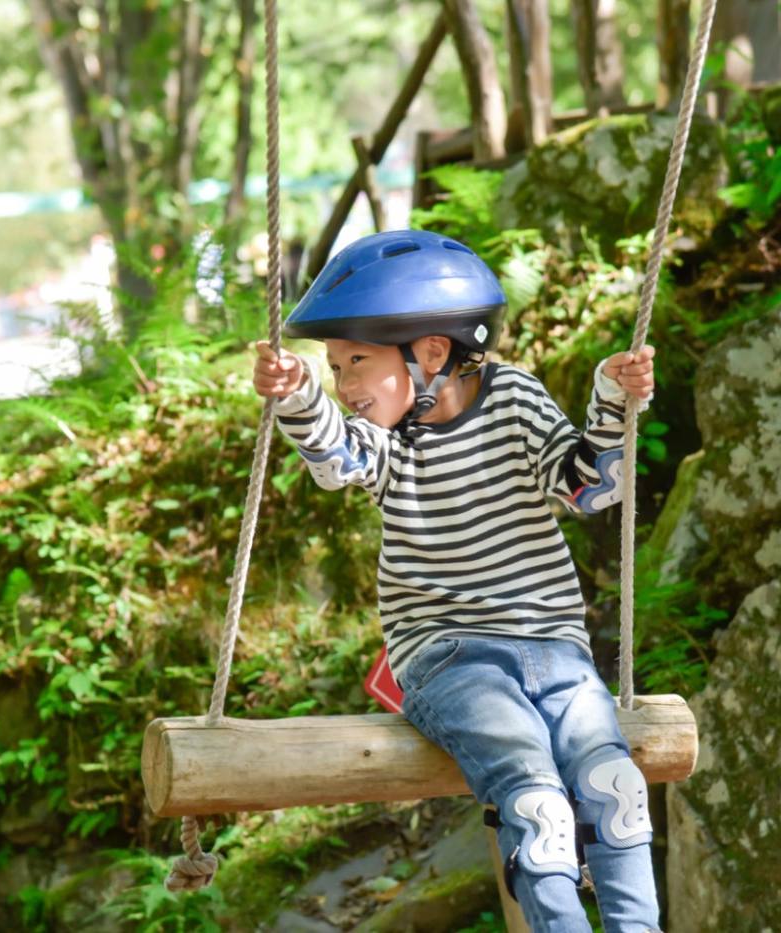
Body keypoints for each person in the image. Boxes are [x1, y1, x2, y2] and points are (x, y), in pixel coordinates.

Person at [253, 229, 660, 932]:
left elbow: (588, 489)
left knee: (612, 783)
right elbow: (335, 453)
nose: (345, 384)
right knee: (536, 797)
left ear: (433, 351)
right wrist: (298, 397)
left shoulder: (513, 400)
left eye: (356, 362)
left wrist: (612, 400)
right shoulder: (386, 441)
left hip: (554, 647)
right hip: (450, 657)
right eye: (334, 366)